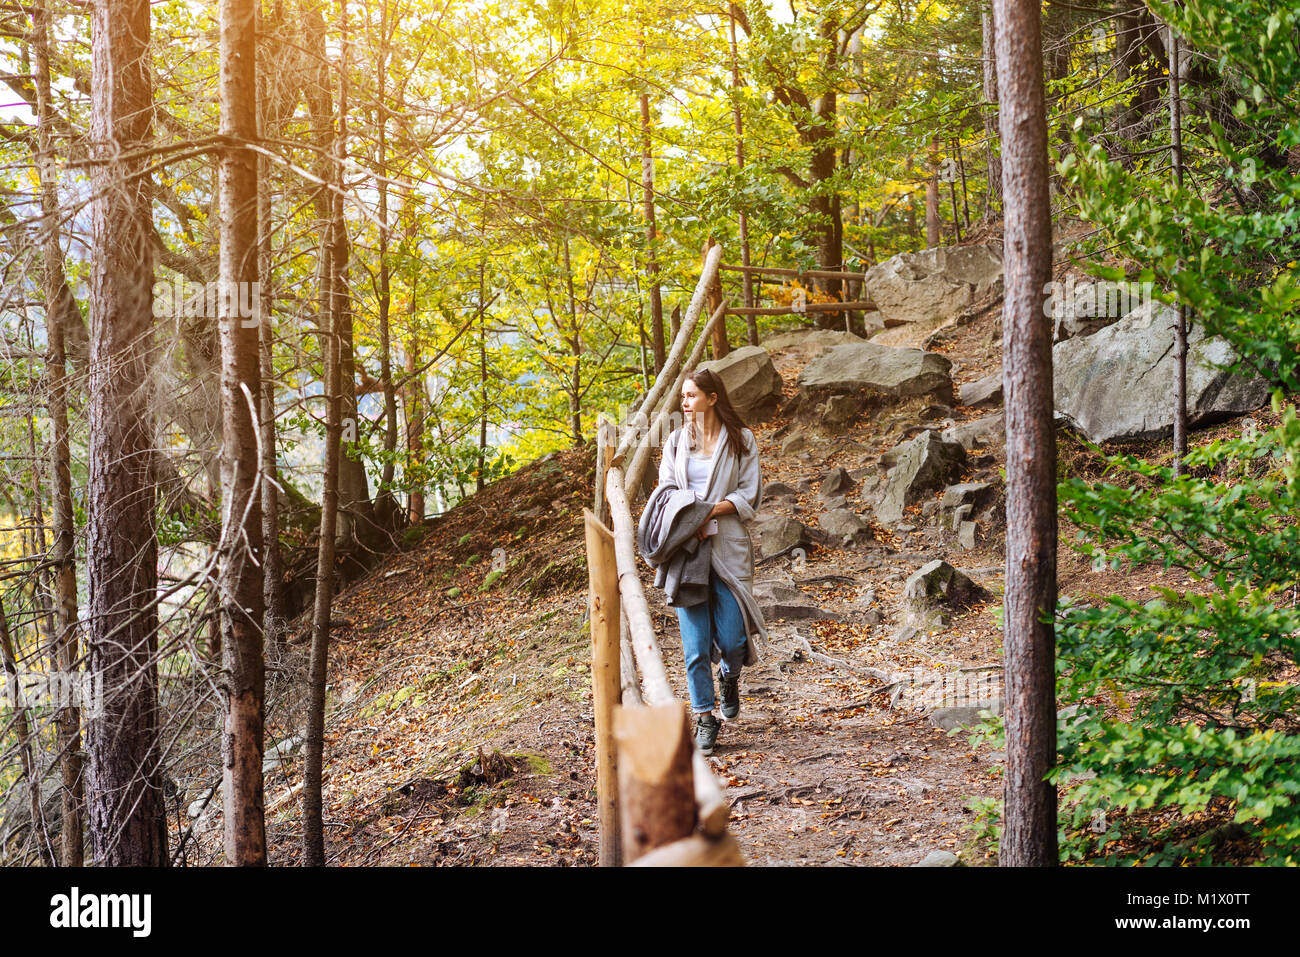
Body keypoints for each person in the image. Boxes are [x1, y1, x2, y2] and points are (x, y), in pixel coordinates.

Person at [643, 368, 767, 756]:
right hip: (687, 552)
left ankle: (730, 676)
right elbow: (665, 491)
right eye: (683, 396)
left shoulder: (741, 440)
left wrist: (706, 513)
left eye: (692, 395)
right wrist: (688, 520)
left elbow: (750, 495)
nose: (685, 402)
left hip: (727, 547)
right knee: (695, 646)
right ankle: (705, 717)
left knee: (732, 639)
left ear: (713, 398)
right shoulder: (677, 442)